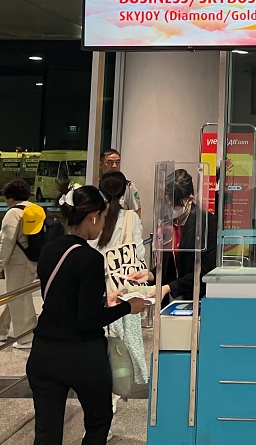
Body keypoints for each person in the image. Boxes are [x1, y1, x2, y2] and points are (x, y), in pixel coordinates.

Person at [26, 185, 146, 445]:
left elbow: (60, 297)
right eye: (102, 218)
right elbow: (88, 320)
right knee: (98, 422)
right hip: (82, 356)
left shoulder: (49, 249)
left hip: (44, 352)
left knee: (46, 433)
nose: (103, 225)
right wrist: (128, 307)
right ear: (93, 216)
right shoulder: (90, 258)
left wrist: (102, 301)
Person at [91, 172, 150, 413]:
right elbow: (138, 253)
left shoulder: (96, 217)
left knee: (101, 344)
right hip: (124, 289)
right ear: (125, 191)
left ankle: (101, 395)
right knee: (122, 347)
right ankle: (116, 393)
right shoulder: (131, 218)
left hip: (101, 289)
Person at [128, 169, 218, 302]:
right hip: (169, 300)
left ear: (190, 199)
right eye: (168, 201)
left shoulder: (208, 223)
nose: (170, 207)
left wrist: (169, 288)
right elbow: (169, 266)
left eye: (175, 204)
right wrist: (150, 274)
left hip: (197, 297)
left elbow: (206, 269)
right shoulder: (167, 224)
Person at [0, 178, 40, 350]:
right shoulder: (34, 209)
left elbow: (7, 240)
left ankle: (27, 336)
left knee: (20, 298)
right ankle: (1, 328)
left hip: (18, 262)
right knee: (14, 294)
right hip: (31, 259)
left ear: (10, 198)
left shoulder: (13, 213)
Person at [99, 148, 141, 216]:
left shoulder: (128, 187)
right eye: (110, 162)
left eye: (118, 162)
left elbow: (136, 213)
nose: (115, 166)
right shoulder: (96, 186)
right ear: (100, 164)